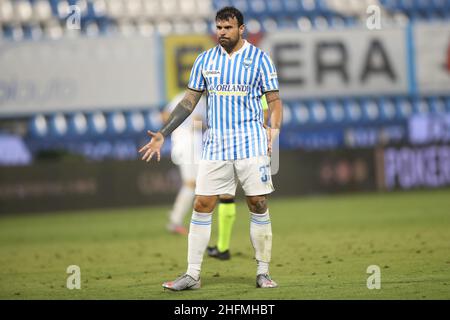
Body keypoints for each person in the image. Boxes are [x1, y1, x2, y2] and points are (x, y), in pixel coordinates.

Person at [139, 6, 283, 290]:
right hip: (215, 145)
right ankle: (192, 274)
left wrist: (273, 129)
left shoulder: (259, 59)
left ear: (241, 29)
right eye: (218, 28)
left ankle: (263, 272)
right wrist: (164, 134)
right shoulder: (205, 60)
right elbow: (188, 102)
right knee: (202, 204)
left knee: (258, 203)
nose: (222, 33)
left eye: (227, 28)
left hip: (250, 143)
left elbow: (275, 102)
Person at [207, 95, 270, 260]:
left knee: (254, 199)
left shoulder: (246, 78)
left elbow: (264, 111)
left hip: (242, 146)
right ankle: (223, 247)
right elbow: (264, 110)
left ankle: (227, 248)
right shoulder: (246, 78)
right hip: (235, 144)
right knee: (227, 195)